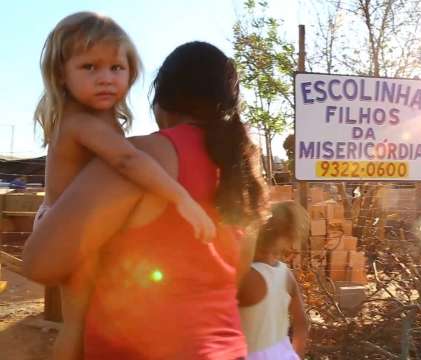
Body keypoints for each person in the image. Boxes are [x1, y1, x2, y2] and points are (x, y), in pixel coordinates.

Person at [23, 41, 268, 359]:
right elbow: (234, 282)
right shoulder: (246, 175)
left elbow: (39, 263)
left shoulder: (146, 158)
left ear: (160, 103)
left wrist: (48, 212)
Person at [238, 201, 310, 359]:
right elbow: (302, 324)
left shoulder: (246, 276)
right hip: (283, 354)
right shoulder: (286, 274)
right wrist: (295, 354)